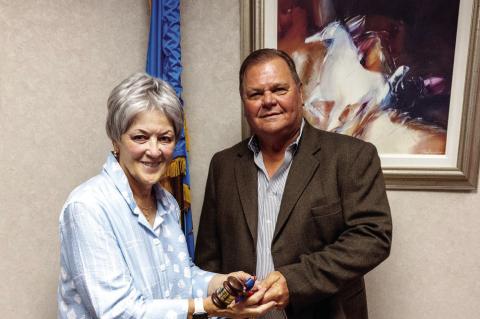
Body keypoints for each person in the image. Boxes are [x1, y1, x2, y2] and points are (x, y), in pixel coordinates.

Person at [57, 72, 276, 319]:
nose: (154, 151)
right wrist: (207, 306)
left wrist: (221, 282)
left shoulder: (168, 203)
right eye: (140, 137)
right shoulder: (87, 208)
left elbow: (181, 279)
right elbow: (118, 312)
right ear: (116, 140)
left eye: (165, 138)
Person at [195, 49, 392, 319]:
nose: (268, 101)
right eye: (255, 94)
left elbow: (372, 238)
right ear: (244, 102)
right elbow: (208, 260)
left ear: (300, 93)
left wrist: (295, 281)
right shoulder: (224, 165)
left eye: (279, 89)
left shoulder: (352, 156)